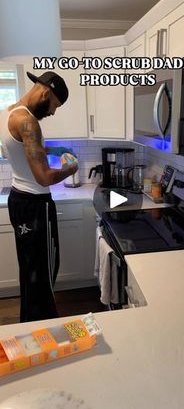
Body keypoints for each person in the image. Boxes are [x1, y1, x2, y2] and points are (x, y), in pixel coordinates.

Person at [0, 71, 78, 322]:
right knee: (44, 273)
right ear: (46, 93)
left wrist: (54, 149)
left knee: (31, 272)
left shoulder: (8, 113)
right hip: (35, 206)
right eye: (55, 105)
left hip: (18, 200)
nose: (53, 112)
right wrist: (70, 169)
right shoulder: (29, 122)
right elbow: (44, 177)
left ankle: (31, 329)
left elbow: (28, 150)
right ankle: (47, 330)